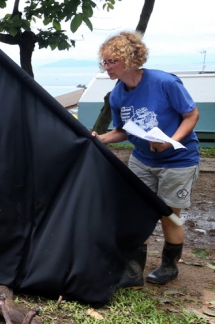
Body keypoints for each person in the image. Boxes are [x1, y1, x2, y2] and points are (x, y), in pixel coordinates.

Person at [92, 31, 200, 287]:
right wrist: (100, 139)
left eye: (111, 62)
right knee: (134, 212)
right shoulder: (118, 94)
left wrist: (170, 140)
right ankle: (132, 271)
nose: (106, 67)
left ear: (129, 60)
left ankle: (169, 266)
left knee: (167, 214)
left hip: (178, 161)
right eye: (103, 62)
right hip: (142, 160)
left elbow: (191, 115)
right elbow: (122, 130)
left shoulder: (165, 83)